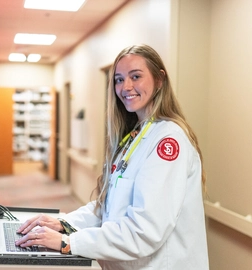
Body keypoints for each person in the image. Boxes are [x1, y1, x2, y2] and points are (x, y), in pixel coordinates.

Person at [15, 44, 209, 269]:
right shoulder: (134, 136)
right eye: (118, 79)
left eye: (135, 76)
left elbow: (144, 232)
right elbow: (109, 208)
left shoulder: (167, 141)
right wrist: (63, 223)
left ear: (159, 80)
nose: (126, 87)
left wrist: (68, 243)